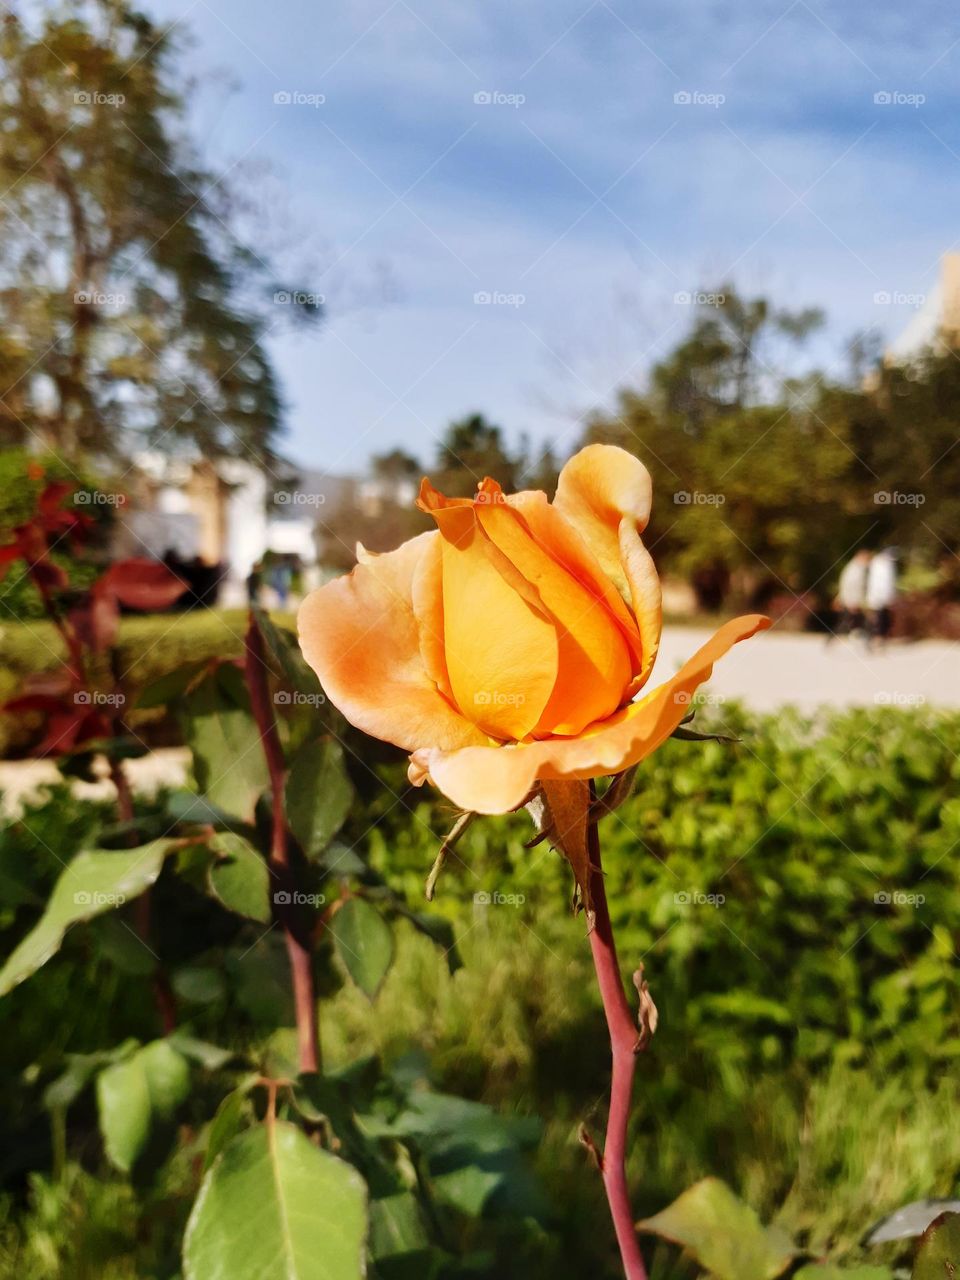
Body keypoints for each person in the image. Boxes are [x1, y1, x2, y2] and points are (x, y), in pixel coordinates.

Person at [833, 549, 871, 638]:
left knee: (852, 622)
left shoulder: (857, 568)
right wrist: (852, 601)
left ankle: (857, 637)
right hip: (851, 600)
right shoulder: (854, 570)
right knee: (847, 622)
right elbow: (851, 586)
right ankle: (833, 640)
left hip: (852, 600)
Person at [866, 547, 897, 646]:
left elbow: (890, 583)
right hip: (878, 597)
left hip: (885, 598)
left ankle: (881, 638)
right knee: (878, 620)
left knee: (884, 620)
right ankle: (875, 639)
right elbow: (878, 583)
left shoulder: (888, 565)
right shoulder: (878, 565)